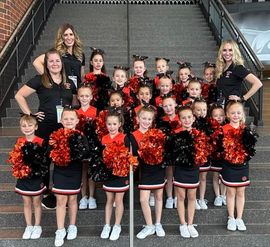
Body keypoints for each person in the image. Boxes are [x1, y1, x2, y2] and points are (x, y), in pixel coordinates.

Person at [15, 48, 77, 209]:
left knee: (63, 160)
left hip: (64, 129)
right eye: (51, 61)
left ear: (62, 64)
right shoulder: (40, 80)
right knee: (45, 160)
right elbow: (19, 95)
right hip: (45, 127)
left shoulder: (68, 83)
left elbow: (76, 101)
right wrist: (31, 115)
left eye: (58, 60)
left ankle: (62, 193)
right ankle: (47, 194)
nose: (55, 63)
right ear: (46, 64)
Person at [166, 106, 210, 238]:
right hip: (180, 170)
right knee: (180, 197)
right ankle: (182, 224)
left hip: (193, 170)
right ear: (179, 119)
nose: (187, 120)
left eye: (189, 117)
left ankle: (190, 224)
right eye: (183, 117)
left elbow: (203, 153)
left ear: (193, 118)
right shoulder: (175, 135)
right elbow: (171, 154)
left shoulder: (199, 134)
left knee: (192, 197)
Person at [49, 108, 88, 247]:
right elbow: (50, 152)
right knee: (60, 201)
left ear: (77, 121)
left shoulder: (80, 135)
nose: (69, 121)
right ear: (61, 120)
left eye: (72, 119)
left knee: (72, 199)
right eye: (66, 119)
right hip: (59, 172)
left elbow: (85, 152)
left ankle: (72, 226)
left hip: (74, 172)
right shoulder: (55, 135)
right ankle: (60, 230)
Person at [7, 115, 48, 240]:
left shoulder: (41, 142)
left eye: (30, 125)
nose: (27, 128)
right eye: (24, 126)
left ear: (35, 127)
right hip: (23, 177)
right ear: (20, 128)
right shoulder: (19, 141)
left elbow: (44, 162)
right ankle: (29, 226)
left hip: (36, 178)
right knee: (26, 202)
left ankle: (37, 226)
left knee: (36, 202)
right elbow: (15, 159)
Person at [220, 101, 257, 231]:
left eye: (238, 113)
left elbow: (250, 149)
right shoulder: (223, 129)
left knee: (241, 192)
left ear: (242, 114)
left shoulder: (246, 130)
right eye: (233, 113)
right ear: (227, 115)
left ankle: (239, 218)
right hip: (229, 166)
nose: (235, 115)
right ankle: (231, 218)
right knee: (230, 192)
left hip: (242, 166)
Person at [132, 106, 166, 239]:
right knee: (143, 199)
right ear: (138, 119)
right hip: (144, 171)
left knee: (158, 197)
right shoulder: (132, 136)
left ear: (152, 120)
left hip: (157, 169)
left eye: (149, 119)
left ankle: (158, 223)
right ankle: (149, 225)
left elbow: (163, 151)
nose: (146, 121)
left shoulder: (157, 134)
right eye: (144, 118)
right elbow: (132, 155)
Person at [100, 110, 131, 241]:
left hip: (121, 174)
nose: (111, 127)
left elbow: (130, 156)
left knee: (118, 201)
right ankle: (107, 225)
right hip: (109, 174)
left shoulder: (124, 137)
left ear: (119, 124)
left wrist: (130, 167)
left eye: (114, 124)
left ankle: (117, 225)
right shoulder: (103, 138)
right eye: (109, 124)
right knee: (109, 200)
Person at [33, 23, 85, 88]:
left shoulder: (80, 54)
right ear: (61, 37)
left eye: (71, 34)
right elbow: (36, 62)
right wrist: (50, 79)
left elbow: (82, 75)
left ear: (75, 36)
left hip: (77, 91)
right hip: (63, 90)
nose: (69, 38)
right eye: (65, 35)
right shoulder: (57, 53)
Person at [76, 85, 97, 210]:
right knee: (82, 171)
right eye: (82, 96)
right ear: (78, 97)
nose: (84, 98)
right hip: (80, 146)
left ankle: (92, 196)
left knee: (91, 171)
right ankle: (83, 196)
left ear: (91, 97)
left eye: (87, 96)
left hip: (92, 145)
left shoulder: (95, 111)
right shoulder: (76, 112)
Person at [192, 99, 210, 210]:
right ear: (193, 111)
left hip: (205, 155)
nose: (201, 112)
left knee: (203, 177)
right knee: (194, 178)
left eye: (204, 109)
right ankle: (193, 199)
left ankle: (202, 199)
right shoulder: (191, 123)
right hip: (194, 156)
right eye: (198, 110)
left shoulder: (209, 123)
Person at [209, 104, 227, 206]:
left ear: (225, 116)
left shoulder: (227, 127)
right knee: (215, 175)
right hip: (215, 156)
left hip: (225, 157)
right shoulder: (210, 129)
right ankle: (218, 196)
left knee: (224, 176)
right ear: (211, 117)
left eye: (221, 115)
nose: (219, 117)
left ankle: (224, 195)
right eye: (216, 115)